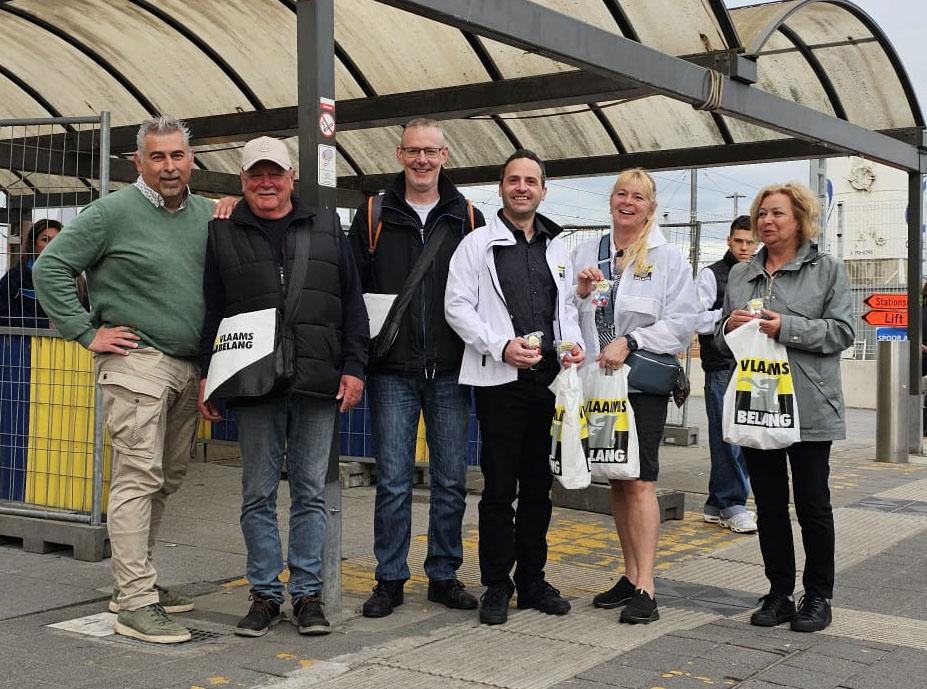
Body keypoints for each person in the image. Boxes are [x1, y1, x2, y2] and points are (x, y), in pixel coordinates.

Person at [33, 116, 213, 644]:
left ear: (192, 160)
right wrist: (86, 333)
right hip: (137, 362)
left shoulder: (205, 213)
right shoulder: (111, 212)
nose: (169, 166)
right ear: (138, 162)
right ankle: (134, 601)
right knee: (137, 475)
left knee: (166, 477)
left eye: (177, 156)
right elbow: (49, 268)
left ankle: (138, 584)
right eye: (156, 157)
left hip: (188, 365)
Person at [197, 136, 368, 637]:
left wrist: (355, 366)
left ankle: (308, 595)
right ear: (242, 181)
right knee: (257, 493)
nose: (266, 183)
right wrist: (210, 373)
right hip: (254, 382)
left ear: (292, 177)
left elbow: (351, 303)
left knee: (312, 492)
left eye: (275, 173)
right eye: (255, 175)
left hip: (317, 380)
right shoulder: (222, 231)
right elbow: (214, 309)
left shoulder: (327, 227)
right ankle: (266, 595)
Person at [347, 118, 485, 618]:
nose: (422, 160)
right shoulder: (373, 213)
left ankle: (443, 574)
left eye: (431, 151)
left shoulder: (467, 217)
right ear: (399, 154)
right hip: (392, 372)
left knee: (451, 478)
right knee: (394, 480)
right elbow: (352, 292)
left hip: (450, 369)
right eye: (413, 151)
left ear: (445, 155)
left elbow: (483, 293)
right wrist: (357, 363)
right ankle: (389, 578)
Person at [445, 149, 584, 626]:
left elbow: (567, 310)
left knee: (539, 487)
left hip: (548, 382)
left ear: (544, 190)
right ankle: (496, 584)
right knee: (500, 487)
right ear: (500, 187)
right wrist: (500, 345)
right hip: (500, 381)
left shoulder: (559, 247)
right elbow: (457, 307)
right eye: (513, 180)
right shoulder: (477, 244)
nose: (522, 187)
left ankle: (532, 580)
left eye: (531, 181)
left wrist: (574, 347)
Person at [718, 182, 854, 633]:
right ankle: (778, 592)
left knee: (813, 504)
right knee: (770, 505)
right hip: (760, 404)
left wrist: (787, 328)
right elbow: (723, 339)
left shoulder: (827, 270)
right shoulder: (741, 274)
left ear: (800, 219)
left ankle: (818, 595)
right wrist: (729, 326)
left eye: (777, 213)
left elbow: (842, 332)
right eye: (761, 214)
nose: (767, 222)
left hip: (810, 404)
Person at [572, 167, 697, 624]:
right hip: (598, 382)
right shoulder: (589, 251)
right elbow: (569, 310)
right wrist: (581, 292)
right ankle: (628, 575)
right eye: (621, 194)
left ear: (651, 207)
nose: (628, 202)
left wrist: (634, 341)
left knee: (642, 479)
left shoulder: (668, 260)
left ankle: (647, 584)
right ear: (611, 201)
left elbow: (682, 323)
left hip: (641, 382)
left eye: (638, 197)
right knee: (618, 478)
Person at [695, 215, 758, 533]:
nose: (745, 247)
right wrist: (728, 316)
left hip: (751, 366)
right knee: (727, 440)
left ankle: (718, 502)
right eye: (739, 241)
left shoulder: (760, 274)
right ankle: (732, 503)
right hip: (720, 365)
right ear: (729, 241)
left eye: (750, 242)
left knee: (744, 437)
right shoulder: (711, 275)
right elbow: (693, 317)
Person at [1, 219, 61, 328]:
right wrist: (46, 325)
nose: (52, 245)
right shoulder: (16, 277)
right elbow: (3, 315)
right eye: (45, 239)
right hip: (22, 343)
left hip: (65, 344)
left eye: (57, 240)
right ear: (34, 245)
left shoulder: (76, 280)